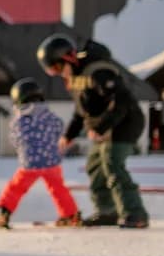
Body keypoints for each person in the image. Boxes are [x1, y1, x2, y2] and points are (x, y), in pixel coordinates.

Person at [38, 33, 149, 228]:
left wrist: (101, 127)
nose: (58, 74)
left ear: (69, 58)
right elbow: (81, 112)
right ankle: (108, 211)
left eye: (57, 67)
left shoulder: (98, 72)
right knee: (95, 166)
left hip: (125, 124)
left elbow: (121, 101)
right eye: (51, 71)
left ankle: (135, 213)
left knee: (112, 164)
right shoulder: (77, 79)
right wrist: (69, 135)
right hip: (105, 129)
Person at [0, 79, 80, 228]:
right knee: (58, 189)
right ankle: (70, 216)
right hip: (52, 162)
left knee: (16, 188)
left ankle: (3, 213)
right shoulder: (50, 117)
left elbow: (15, 139)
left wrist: (24, 150)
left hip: (30, 163)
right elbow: (59, 130)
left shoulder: (19, 120)